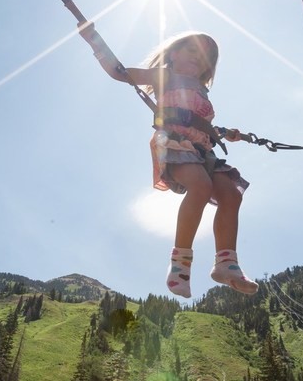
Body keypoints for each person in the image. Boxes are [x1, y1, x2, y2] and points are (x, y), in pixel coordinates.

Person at [80, 22, 258, 298]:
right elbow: (120, 73)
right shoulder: (164, 76)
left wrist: (226, 132)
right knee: (200, 187)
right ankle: (180, 265)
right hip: (175, 142)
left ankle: (226, 263)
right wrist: (94, 41)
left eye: (205, 58)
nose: (198, 58)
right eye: (191, 51)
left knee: (231, 195)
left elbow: (201, 122)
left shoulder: (201, 90)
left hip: (203, 148)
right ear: (173, 54)